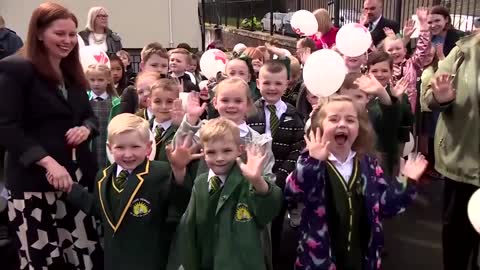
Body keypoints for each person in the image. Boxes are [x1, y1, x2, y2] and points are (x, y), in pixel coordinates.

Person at [0, 3, 103, 269]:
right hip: (34, 186)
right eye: (60, 34)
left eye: (71, 34)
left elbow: (89, 116)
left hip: (76, 184)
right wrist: (47, 162)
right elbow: (7, 127)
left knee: (84, 256)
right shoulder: (15, 69)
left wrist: (87, 128)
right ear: (39, 33)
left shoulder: (71, 71)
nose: (68, 41)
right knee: (42, 259)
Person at [285, 95, 428, 270]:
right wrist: (313, 162)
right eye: (334, 119)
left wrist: (407, 181)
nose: (342, 124)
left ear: (360, 128)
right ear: (319, 127)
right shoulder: (309, 162)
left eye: (350, 120)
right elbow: (292, 193)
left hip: (362, 259)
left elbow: (386, 206)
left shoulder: (368, 164)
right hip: (320, 260)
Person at [67, 113, 196, 270]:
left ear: (148, 147)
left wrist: (179, 170)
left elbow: (180, 205)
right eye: (120, 147)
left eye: (135, 147)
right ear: (109, 148)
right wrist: (70, 189)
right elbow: (101, 210)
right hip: (114, 262)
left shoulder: (161, 172)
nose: (128, 154)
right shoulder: (103, 176)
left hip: (149, 261)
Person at [167, 117, 282, 270]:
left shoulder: (249, 181)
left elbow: (269, 209)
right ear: (203, 153)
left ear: (240, 150)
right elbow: (188, 229)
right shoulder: (200, 183)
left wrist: (257, 181)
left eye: (227, 150)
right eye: (211, 152)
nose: (219, 158)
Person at [424, 31, 480, 270]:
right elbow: (429, 94)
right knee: (458, 242)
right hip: (463, 166)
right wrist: (441, 98)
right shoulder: (463, 52)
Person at [246, 60, 305, 269]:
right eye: (267, 82)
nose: (272, 88)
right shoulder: (249, 112)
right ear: (258, 82)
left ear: (286, 84)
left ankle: (275, 262)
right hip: (252, 178)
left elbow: (297, 149)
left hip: (280, 181)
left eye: (278, 83)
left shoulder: (293, 115)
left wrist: (280, 177)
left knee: (276, 225)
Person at [85, 64, 121, 168]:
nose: (96, 83)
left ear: (108, 80)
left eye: (100, 80)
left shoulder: (116, 103)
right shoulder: (84, 100)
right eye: (92, 80)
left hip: (108, 145)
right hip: (89, 146)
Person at [120, 42, 168, 115]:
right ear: (142, 66)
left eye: (164, 66)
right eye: (154, 65)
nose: (159, 69)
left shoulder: (171, 88)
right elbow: (124, 119)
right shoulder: (131, 91)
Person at [149, 79, 183, 162]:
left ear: (178, 102)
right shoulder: (142, 128)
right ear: (149, 103)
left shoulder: (182, 130)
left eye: (169, 101)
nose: (164, 106)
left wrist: (179, 127)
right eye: (157, 101)